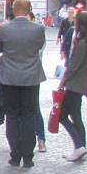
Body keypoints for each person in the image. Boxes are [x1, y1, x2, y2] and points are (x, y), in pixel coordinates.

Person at [0, 0, 47, 168]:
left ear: (14, 9)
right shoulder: (38, 29)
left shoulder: (4, 29)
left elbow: (0, 48)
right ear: (29, 9)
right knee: (28, 116)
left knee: (12, 116)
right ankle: (28, 156)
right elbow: (38, 47)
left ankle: (15, 155)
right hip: (30, 78)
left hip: (9, 77)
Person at [57, 10, 87, 163]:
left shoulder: (83, 43)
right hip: (80, 84)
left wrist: (62, 82)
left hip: (75, 85)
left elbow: (73, 66)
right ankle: (81, 148)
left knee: (63, 116)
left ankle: (80, 147)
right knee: (75, 116)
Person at [28, 11, 47, 152]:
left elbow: (37, 52)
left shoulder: (38, 33)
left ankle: (41, 138)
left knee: (35, 107)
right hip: (19, 76)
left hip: (33, 75)